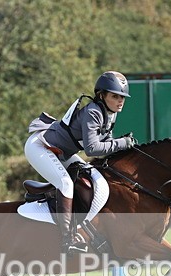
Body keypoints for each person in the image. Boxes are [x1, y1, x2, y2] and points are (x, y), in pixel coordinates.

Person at [24, 71, 137, 254]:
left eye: (122, 97)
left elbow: (107, 144)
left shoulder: (110, 113)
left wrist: (122, 148)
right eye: (115, 96)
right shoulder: (93, 111)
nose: (120, 101)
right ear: (102, 95)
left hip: (62, 151)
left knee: (92, 176)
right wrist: (122, 143)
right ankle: (67, 240)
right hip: (40, 147)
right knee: (66, 183)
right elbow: (92, 149)